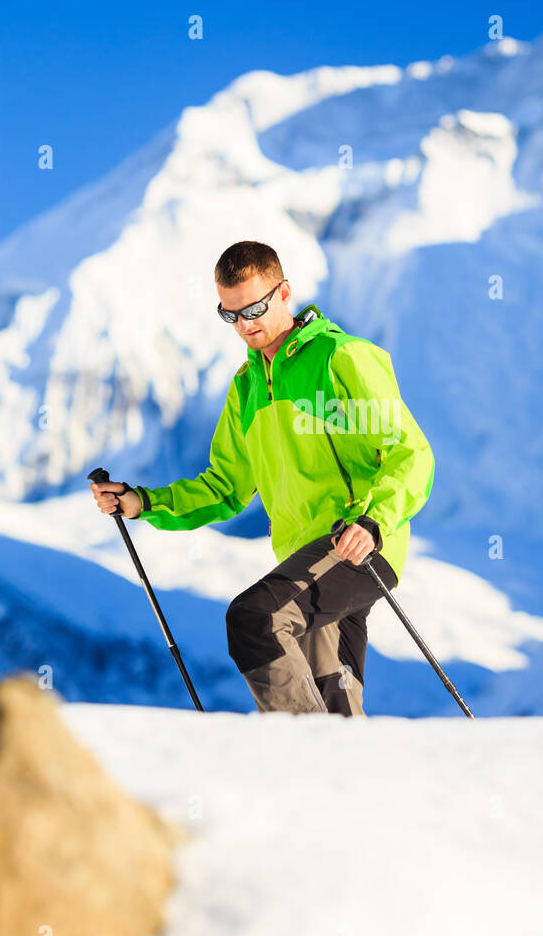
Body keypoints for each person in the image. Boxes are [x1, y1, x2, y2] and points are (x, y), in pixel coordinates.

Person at [90, 240, 435, 716]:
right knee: (336, 700)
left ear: (285, 292)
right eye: (230, 314)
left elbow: (410, 452)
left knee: (257, 617)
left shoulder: (342, 358)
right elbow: (225, 487)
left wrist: (374, 522)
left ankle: (301, 748)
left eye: (254, 307)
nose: (245, 323)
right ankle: (344, 773)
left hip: (356, 545)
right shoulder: (246, 388)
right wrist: (143, 502)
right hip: (301, 558)